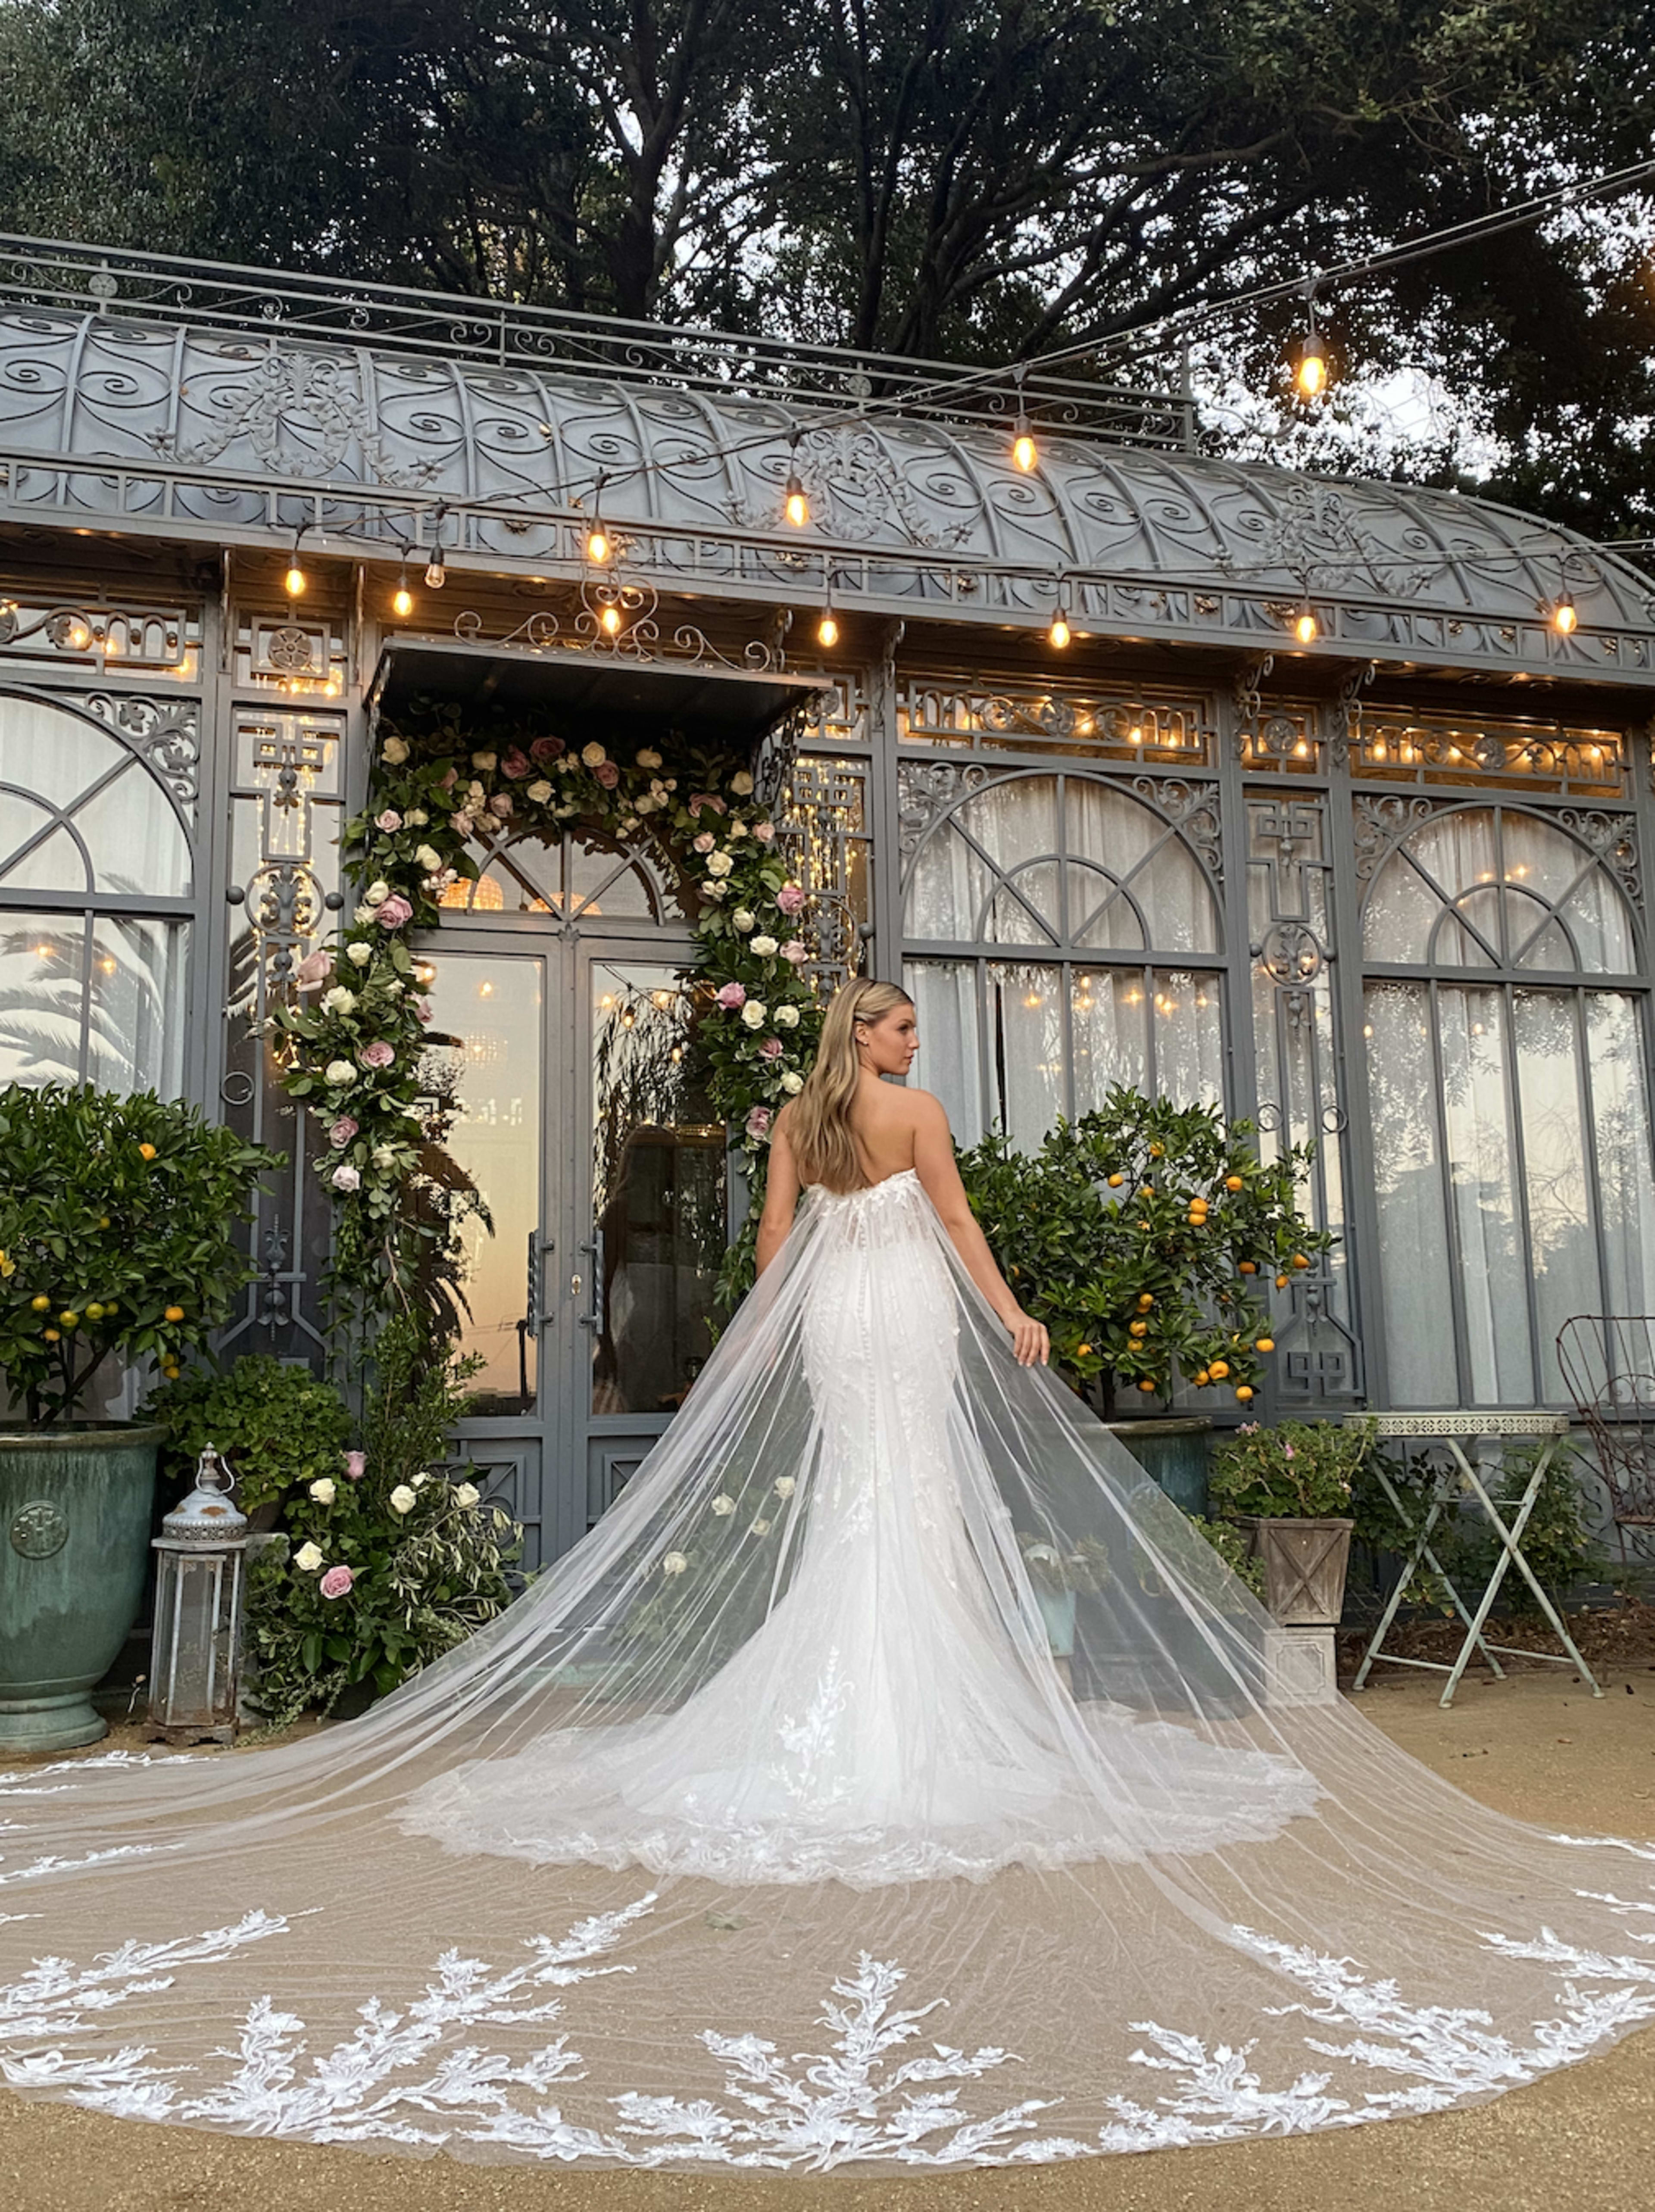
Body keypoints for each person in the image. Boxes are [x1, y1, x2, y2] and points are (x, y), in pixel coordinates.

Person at [2, 976, 1654, 2173]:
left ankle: (868, 1694)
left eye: (912, 1036)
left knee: (884, 1499)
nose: (913, 1048)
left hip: (849, 1328)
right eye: (898, 1029)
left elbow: (779, 1252)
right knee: (904, 1498)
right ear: (860, 1035)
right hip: (908, 1318)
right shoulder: (910, 1122)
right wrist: (1006, 1315)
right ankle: (910, 1705)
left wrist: (744, 1358)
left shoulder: (797, 1122)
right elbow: (951, 1231)